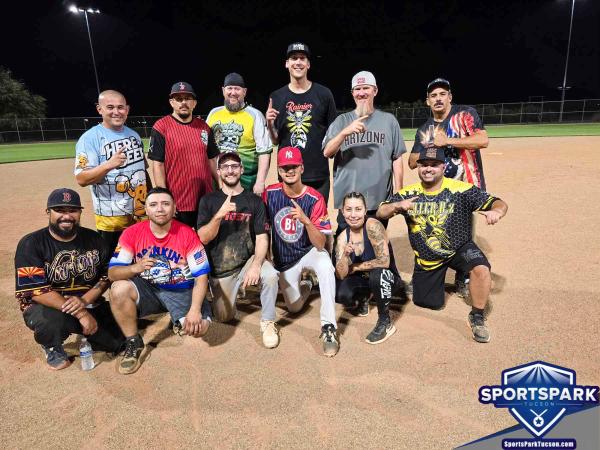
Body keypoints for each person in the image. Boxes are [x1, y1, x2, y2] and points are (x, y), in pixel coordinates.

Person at [377, 148, 508, 343]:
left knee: (481, 269)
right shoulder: (409, 193)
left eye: (434, 165)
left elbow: (498, 202)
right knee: (429, 303)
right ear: (418, 167)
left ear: (443, 166)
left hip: (459, 248)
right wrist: (397, 206)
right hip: (428, 257)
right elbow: (381, 212)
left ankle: (477, 316)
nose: (428, 169)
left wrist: (496, 212)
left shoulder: (461, 189)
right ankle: (427, 280)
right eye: (424, 165)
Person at [14, 188, 125, 370]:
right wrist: (81, 313)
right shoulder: (31, 243)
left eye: (72, 210)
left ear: (80, 212)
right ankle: (52, 345)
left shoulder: (94, 239)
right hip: (48, 307)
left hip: (87, 302)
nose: (66, 216)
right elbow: (36, 291)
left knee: (117, 342)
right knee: (50, 322)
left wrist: (85, 301)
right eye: (60, 210)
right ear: (48, 212)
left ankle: (87, 331)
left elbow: (107, 276)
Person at [108, 187, 211, 374]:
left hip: (181, 289)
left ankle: (178, 318)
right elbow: (113, 273)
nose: (160, 209)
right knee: (118, 289)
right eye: (153, 205)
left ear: (174, 208)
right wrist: (135, 268)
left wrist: (195, 310)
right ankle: (133, 341)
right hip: (149, 289)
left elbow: (201, 276)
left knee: (200, 329)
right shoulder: (131, 233)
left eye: (165, 204)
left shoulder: (188, 234)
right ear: (146, 210)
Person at [409, 78, 490, 295]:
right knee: (434, 229)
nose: (438, 98)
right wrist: (428, 145)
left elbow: (482, 139)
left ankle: (462, 277)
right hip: (436, 189)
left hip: (464, 185)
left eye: (442, 94)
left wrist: (448, 142)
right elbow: (411, 162)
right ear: (427, 101)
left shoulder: (464, 115)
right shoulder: (425, 128)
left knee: (462, 233)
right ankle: (430, 272)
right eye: (433, 95)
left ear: (450, 97)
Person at [197, 152, 280, 348]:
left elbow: (261, 237)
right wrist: (219, 216)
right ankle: (221, 291)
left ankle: (268, 322)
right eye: (225, 167)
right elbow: (203, 237)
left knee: (270, 275)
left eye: (235, 166)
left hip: (247, 261)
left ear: (241, 169)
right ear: (218, 172)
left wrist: (257, 265)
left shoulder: (254, 201)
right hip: (221, 269)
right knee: (224, 317)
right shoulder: (208, 201)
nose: (230, 170)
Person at [263, 146, 339, 357]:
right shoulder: (269, 194)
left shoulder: (314, 199)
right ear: (278, 170)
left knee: (325, 264)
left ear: (302, 168)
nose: (289, 171)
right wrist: (266, 258)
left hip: (309, 251)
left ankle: (329, 328)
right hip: (285, 260)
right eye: (285, 167)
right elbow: (264, 229)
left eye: (293, 166)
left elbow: (321, 244)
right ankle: (307, 284)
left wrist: (306, 221)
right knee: (294, 307)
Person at [323, 71, 406, 232]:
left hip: (379, 202)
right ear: (352, 93)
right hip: (348, 204)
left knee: (377, 249)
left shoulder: (389, 121)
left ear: (375, 91)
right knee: (345, 250)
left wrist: (399, 191)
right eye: (357, 89)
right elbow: (327, 152)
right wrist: (345, 132)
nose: (361, 93)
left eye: (366, 88)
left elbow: (396, 158)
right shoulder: (341, 121)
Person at [74, 90, 149, 251]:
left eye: (120, 107)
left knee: (139, 255)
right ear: (99, 109)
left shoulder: (134, 135)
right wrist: (108, 165)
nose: (116, 112)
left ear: (127, 110)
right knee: (111, 262)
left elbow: (143, 170)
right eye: (110, 107)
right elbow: (81, 179)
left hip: (139, 212)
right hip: (111, 218)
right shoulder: (90, 138)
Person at [266, 42, 337, 203]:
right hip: (288, 172)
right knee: (290, 224)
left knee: (317, 224)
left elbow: (333, 133)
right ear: (287, 64)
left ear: (308, 64)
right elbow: (276, 140)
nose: (298, 62)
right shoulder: (277, 97)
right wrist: (270, 124)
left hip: (318, 174)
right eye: (293, 58)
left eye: (302, 58)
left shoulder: (324, 94)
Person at [148, 81, 220, 228]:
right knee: (180, 245)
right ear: (171, 102)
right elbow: (158, 165)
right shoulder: (161, 127)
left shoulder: (204, 127)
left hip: (204, 199)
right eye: (179, 99)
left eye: (187, 98)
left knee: (205, 243)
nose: (183, 103)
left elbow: (212, 160)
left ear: (194, 103)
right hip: (178, 202)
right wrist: (165, 200)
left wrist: (221, 188)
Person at [334, 192, 403, 344]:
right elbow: (340, 274)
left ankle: (385, 322)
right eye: (349, 209)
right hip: (364, 280)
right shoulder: (342, 238)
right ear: (342, 211)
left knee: (378, 275)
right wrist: (345, 256)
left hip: (388, 279)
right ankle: (364, 297)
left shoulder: (372, 225)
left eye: (358, 209)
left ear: (365, 211)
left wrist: (355, 267)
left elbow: (384, 262)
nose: (353, 215)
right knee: (340, 293)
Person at [207, 73, 272, 195]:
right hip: (217, 182)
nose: (233, 92)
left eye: (237, 89)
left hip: (247, 183)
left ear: (244, 92)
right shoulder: (213, 114)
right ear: (223, 90)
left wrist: (260, 182)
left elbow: (264, 152)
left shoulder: (255, 115)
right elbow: (205, 149)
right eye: (229, 88)